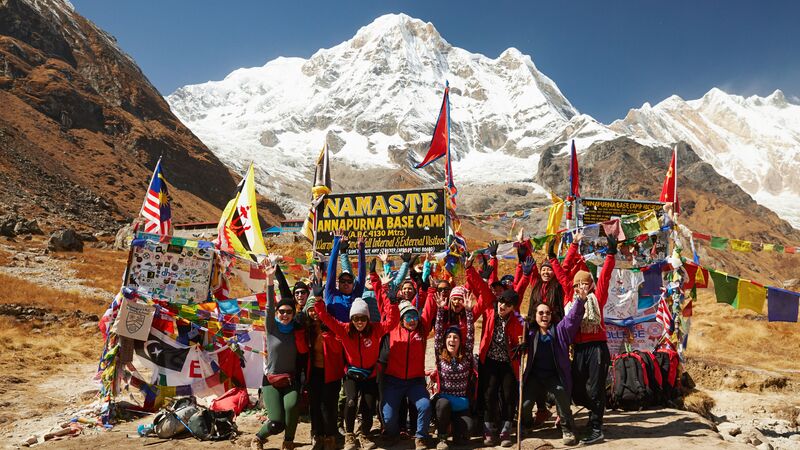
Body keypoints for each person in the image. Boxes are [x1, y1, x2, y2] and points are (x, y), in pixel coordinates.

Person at [315, 270, 399, 450]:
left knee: (368, 405)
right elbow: (326, 319)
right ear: (351, 319)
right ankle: (350, 435)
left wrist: (393, 303)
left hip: (370, 374)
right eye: (356, 319)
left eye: (362, 318)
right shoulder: (345, 330)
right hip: (352, 373)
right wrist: (318, 300)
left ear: (367, 318)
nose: (359, 322)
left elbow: (392, 321)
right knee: (351, 401)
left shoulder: (376, 330)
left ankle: (364, 434)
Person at [559, 232, 617, 445]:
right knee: (575, 388)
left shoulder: (597, 298)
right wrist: (573, 245)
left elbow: (606, 276)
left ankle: (595, 427)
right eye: (577, 285)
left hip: (597, 347)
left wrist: (611, 254)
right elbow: (563, 271)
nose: (581, 287)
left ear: (591, 285)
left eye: (585, 284)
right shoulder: (570, 300)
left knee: (595, 388)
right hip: (579, 349)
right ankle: (593, 413)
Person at [465, 255, 525, 448]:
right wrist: (469, 269)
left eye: (507, 305)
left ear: (513, 307)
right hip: (489, 359)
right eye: (501, 302)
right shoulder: (490, 310)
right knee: (489, 393)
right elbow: (482, 287)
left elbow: (526, 335)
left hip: (508, 362)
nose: (502, 306)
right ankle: (489, 429)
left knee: (508, 395)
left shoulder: (517, 321)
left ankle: (506, 429)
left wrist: (525, 345)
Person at [252, 262, 308, 450]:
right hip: (271, 379)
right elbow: (269, 304)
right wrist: (269, 279)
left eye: (288, 312)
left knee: (292, 407)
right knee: (276, 423)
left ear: (293, 314)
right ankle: (258, 438)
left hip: (291, 379)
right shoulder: (272, 327)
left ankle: (289, 441)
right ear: (277, 313)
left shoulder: (297, 331)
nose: (285, 314)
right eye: (281, 311)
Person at [521, 297, 587, 446]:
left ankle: (567, 428)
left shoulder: (559, 330)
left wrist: (580, 301)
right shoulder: (529, 333)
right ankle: (526, 424)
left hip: (554, 375)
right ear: (535, 315)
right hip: (535, 376)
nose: (545, 316)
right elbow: (513, 316)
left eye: (548, 313)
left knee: (561, 394)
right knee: (524, 405)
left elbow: (572, 318)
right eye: (541, 313)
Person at [381, 284, 437, 450]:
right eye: (408, 317)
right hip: (394, 381)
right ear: (401, 319)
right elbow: (388, 312)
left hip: (415, 382)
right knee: (389, 418)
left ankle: (421, 437)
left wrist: (431, 290)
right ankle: (392, 434)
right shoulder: (392, 330)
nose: (412, 320)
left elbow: (428, 309)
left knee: (425, 406)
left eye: (414, 316)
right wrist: (386, 292)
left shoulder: (422, 330)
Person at [524, 238, 567, 427]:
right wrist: (524, 248)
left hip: (553, 326)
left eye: (549, 269)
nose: (546, 272)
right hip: (534, 326)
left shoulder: (557, 287)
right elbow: (530, 267)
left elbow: (561, 274)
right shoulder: (535, 285)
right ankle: (539, 411)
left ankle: (562, 415)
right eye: (544, 269)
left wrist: (553, 257)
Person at [432, 291, 476, 449]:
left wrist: (469, 312)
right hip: (444, 401)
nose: (452, 340)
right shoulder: (440, 356)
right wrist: (440, 310)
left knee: (468, 430)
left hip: (461, 404)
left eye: (455, 337)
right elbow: (437, 335)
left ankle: (455, 429)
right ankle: (442, 436)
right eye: (449, 337)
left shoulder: (466, 355)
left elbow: (470, 334)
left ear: (459, 341)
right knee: (442, 405)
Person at [304, 294, 344, 450]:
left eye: (316, 309)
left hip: (331, 373)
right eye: (310, 310)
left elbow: (338, 348)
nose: (314, 313)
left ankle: (330, 436)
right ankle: (317, 435)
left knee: (329, 406)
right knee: (315, 405)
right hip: (313, 373)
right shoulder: (306, 330)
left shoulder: (332, 327)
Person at [325, 230, 367, 322]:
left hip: (352, 335)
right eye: (343, 281)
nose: (346, 283)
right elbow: (331, 269)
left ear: (353, 284)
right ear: (338, 283)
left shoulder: (356, 295)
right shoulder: (331, 294)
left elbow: (362, 274)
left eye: (349, 281)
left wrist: (361, 249)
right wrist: (336, 242)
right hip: (335, 335)